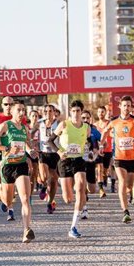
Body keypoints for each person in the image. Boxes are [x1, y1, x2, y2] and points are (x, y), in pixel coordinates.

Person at [0, 100, 35, 243]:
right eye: (19, 110)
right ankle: (0, 192)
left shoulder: (24, 128)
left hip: (21, 165)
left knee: (25, 199)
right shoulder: (5, 126)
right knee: (8, 202)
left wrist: (30, 151)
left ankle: (27, 230)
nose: (21, 113)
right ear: (12, 112)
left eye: (23, 110)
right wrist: (7, 149)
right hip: (8, 166)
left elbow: (27, 144)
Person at [100, 96, 134, 224]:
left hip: (133, 158)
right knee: (122, 182)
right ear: (120, 107)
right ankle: (125, 212)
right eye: (124, 105)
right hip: (119, 157)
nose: (126, 108)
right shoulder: (114, 121)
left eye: (129, 105)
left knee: (128, 186)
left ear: (131, 107)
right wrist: (102, 144)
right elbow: (105, 131)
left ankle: (128, 197)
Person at [50, 100, 90, 238]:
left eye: (78, 111)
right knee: (68, 199)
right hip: (65, 161)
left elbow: (90, 141)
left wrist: (92, 149)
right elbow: (50, 141)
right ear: (70, 112)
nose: (76, 114)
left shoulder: (86, 127)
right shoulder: (64, 124)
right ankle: (67, 187)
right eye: (73, 111)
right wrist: (59, 152)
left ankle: (73, 227)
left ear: (82, 112)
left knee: (80, 187)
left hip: (78, 160)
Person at [38, 104, 60, 214]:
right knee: (44, 177)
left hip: (55, 153)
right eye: (45, 111)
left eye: (50, 111)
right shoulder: (39, 123)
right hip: (43, 153)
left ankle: (50, 202)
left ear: (54, 112)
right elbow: (31, 134)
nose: (48, 113)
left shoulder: (59, 123)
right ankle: (43, 186)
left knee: (54, 179)